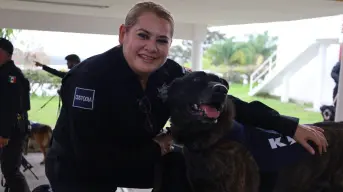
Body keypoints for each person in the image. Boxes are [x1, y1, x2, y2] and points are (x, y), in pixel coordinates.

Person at [45, 2, 328, 192]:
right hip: (80, 169)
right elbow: (94, 159)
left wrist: (290, 127)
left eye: (162, 40)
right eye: (143, 35)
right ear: (123, 34)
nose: (151, 48)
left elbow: (227, 104)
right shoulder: (90, 79)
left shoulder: (170, 73)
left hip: (138, 155)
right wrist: (162, 145)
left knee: (185, 168)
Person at [0, 37, 31, 192]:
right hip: (11, 127)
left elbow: (12, 107)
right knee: (8, 167)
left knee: (11, 170)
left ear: (6, 54)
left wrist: (4, 134)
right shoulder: (5, 72)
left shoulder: (11, 75)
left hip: (13, 129)